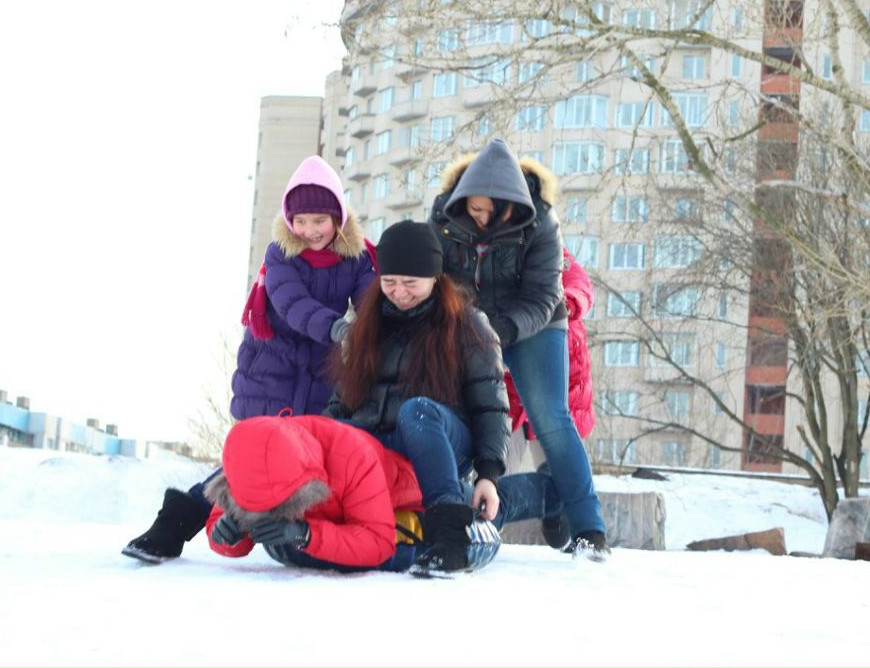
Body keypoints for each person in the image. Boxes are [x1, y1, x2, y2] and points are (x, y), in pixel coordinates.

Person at [122, 155, 375, 563]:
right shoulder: (280, 255)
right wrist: (338, 329)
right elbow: (292, 304)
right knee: (251, 463)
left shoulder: (359, 258)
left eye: (320, 221)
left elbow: (372, 301)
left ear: (339, 219)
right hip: (272, 372)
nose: (310, 230)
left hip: (322, 376)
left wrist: (373, 331)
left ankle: (306, 538)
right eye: (302, 220)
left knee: (307, 463)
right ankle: (171, 526)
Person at [323, 220, 562, 575]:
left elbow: (491, 407)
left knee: (417, 413)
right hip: (381, 451)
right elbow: (341, 404)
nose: (399, 292)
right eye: (389, 282)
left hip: (444, 441)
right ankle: (543, 493)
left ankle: (451, 533)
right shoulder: (367, 327)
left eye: (411, 284)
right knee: (332, 433)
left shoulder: (467, 325)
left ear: (435, 277)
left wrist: (488, 475)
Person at [430, 139, 610, 560]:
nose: (482, 220)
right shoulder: (443, 216)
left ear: (515, 204)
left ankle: (590, 531)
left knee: (551, 416)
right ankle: (443, 515)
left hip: (533, 323)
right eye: (475, 210)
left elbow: (546, 297)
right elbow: (436, 278)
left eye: (493, 212)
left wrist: (504, 330)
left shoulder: (541, 223)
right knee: (448, 409)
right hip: (470, 323)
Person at [201, 414, 505, 574]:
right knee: (281, 548)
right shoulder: (252, 458)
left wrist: (307, 535)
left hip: (412, 492)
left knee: (496, 507)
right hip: (352, 510)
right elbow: (224, 517)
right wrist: (225, 536)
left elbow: (378, 543)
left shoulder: (350, 455)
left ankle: (550, 491)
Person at [503, 247, 596, 548]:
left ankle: (561, 517)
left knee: (565, 473)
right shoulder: (491, 260)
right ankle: (484, 528)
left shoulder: (552, 252)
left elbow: (580, 284)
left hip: (561, 397)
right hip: (511, 397)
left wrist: (566, 303)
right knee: (496, 470)